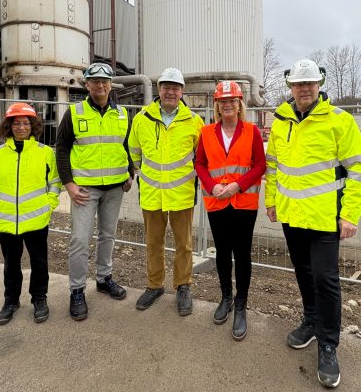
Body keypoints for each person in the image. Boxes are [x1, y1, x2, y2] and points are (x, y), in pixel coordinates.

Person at [264, 59, 361, 389]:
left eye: (310, 83)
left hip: (325, 218)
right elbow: (273, 165)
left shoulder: (339, 120)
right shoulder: (281, 121)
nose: (305, 89)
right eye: (299, 84)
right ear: (291, 87)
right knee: (303, 272)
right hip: (292, 215)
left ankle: (328, 345)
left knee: (325, 279)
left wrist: (349, 214)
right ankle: (310, 321)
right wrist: (271, 200)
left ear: (319, 85)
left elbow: (360, 169)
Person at [55, 62, 134, 321]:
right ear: (87, 85)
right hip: (84, 190)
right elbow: (62, 149)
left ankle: (104, 278)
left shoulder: (122, 114)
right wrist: (69, 184)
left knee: (107, 236)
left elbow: (125, 146)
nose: (100, 85)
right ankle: (77, 290)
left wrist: (130, 172)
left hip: (115, 188)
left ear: (110, 85)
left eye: (105, 82)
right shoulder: (74, 113)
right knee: (80, 240)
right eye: (95, 81)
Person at [128, 67, 204, 315]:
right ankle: (154, 285)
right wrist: (144, 174)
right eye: (166, 87)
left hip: (182, 194)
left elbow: (201, 157)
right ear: (159, 90)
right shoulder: (142, 119)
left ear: (182, 91)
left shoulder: (194, 121)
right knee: (153, 243)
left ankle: (183, 287)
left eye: (175, 88)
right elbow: (134, 152)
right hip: (152, 193)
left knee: (184, 244)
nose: (170, 92)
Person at [195, 80, 266, 340]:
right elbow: (200, 164)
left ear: (239, 104)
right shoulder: (206, 132)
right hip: (217, 202)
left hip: (243, 203)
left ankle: (241, 304)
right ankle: (226, 297)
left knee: (242, 254)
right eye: (223, 101)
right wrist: (212, 186)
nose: (227, 105)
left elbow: (260, 165)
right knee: (222, 252)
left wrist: (238, 185)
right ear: (217, 105)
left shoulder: (251, 131)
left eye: (232, 101)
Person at [0, 102, 62, 325]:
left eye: (26, 123)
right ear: (9, 126)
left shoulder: (45, 153)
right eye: (16, 123)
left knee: (39, 262)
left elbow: (55, 183)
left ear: (33, 126)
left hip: (36, 219)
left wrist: (49, 205)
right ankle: (10, 301)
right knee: (11, 264)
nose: (21, 127)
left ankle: (39, 299)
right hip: (5, 220)